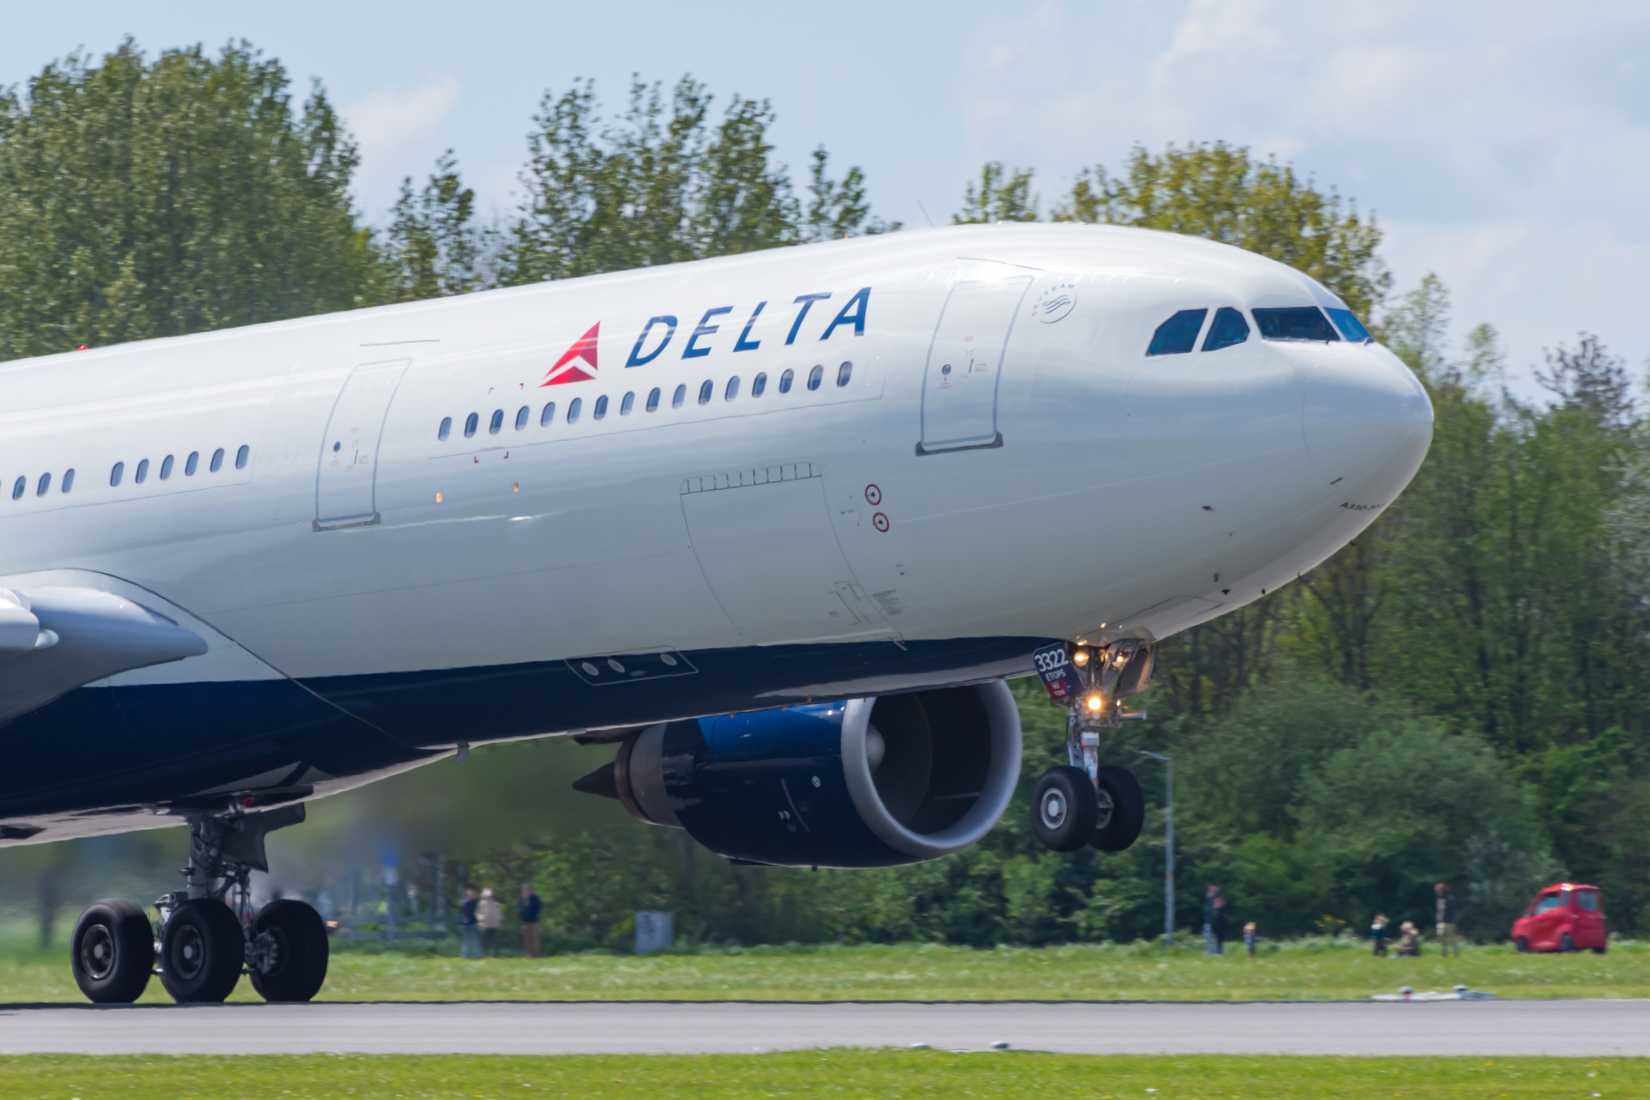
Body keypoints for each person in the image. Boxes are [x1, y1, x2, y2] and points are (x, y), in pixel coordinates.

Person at [1434, 882, 1460, 958]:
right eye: (1436, 890)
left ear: (1442, 890)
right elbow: (1439, 910)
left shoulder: (1449, 898)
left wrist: (1442, 908)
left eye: (1437, 890)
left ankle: (1456, 954)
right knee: (1441, 937)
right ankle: (1444, 954)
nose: (1436, 892)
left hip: (1449, 921)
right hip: (1441, 921)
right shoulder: (1440, 898)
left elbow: (1444, 909)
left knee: (1451, 938)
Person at [519, 883, 543, 959]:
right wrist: (522, 916)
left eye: (527, 889)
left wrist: (532, 915)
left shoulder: (535, 898)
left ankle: (537, 954)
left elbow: (538, 908)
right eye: (524, 890)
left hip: (534, 922)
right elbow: (519, 909)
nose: (525, 891)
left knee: (535, 939)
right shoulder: (521, 899)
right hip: (525, 922)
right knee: (527, 940)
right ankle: (529, 954)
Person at [477, 886, 504, 956]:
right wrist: (481, 919)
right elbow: (478, 913)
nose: (489, 897)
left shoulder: (496, 904)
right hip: (485, 925)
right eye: (487, 895)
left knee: (493, 941)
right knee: (484, 941)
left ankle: (493, 954)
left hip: (494, 925)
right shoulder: (482, 903)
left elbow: (499, 914)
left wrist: (500, 921)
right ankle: (483, 953)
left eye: (490, 895)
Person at [459, 887, 481, 959]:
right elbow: (463, 912)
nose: (471, 895)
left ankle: (477, 955)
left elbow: (477, 912)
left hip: (473, 923)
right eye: (469, 894)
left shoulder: (475, 903)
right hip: (466, 924)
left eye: (472, 894)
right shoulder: (465, 903)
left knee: (475, 940)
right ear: (467, 895)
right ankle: (465, 955)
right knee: (466, 940)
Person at [1202, 885, 1224, 955]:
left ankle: (1216, 952)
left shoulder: (1216, 899)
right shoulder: (1209, 899)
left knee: (1215, 938)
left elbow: (1219, 907)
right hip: (1209, 922)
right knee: (1209, 937)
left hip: (1215, 923)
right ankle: (1211, 952)